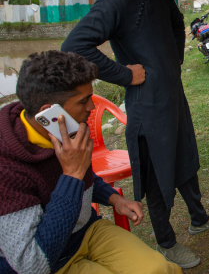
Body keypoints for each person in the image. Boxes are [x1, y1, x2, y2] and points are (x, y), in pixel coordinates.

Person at [61, 0, 209, 269]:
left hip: (173, 97)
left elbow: (175, 27)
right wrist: (123, 73)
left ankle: (199, 219)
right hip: (147, 106)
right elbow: (76, 45)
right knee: (158, 174)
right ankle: (167, 242)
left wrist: (170, 65)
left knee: (186, 160)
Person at [0, 51, 181, 274]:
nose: (92, 108)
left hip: (86, 231)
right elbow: (31, 264)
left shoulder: (63, 130)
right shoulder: (6, 167)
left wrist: (112, 198)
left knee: (159, 269)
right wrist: (72, 175)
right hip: (48, 262)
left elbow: (85, 178)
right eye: (83, 101)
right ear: (49, 112)